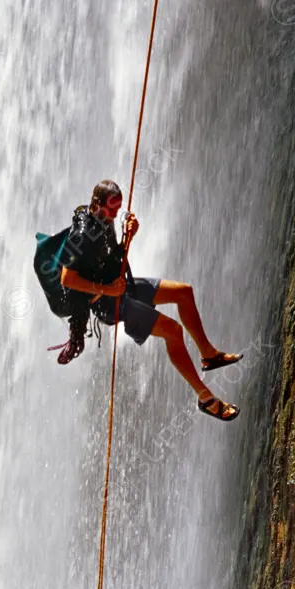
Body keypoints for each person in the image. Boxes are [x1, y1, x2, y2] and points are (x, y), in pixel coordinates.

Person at [58, 180, 241, 422]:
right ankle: (206, 399)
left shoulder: (104, 221)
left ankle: (209, 355)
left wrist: (128, 237)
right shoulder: (81, 235)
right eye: (112, 209)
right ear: (96, 204)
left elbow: (111, 260)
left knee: (183, 292)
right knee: (173, 331)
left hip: (121, 287)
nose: (115, 214)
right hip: (106, 303)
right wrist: (106, 290)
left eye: (118, 208)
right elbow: (67, 279)